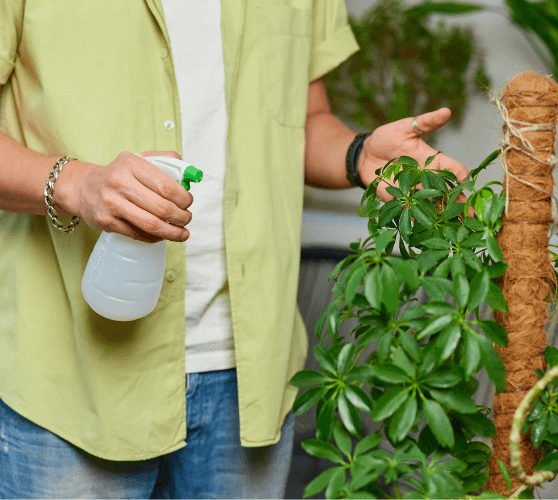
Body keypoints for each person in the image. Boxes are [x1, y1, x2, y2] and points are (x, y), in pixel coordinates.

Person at [0, 1, 469, 498]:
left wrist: (356, 155)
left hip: (251, 379)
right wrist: (76, 184)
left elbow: (301, 118)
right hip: (71, 380)